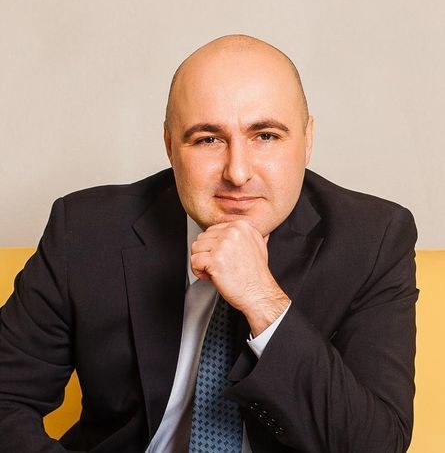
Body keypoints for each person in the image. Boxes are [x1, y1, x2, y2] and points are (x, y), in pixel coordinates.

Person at [0, 34, 418, 452]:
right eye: (208, 139)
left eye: (266, 136)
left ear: (307, 139)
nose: (237, 172)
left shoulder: (374, 240)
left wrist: (263, 300)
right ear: (169, 145)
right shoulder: (87, 229)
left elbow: (376, 445)